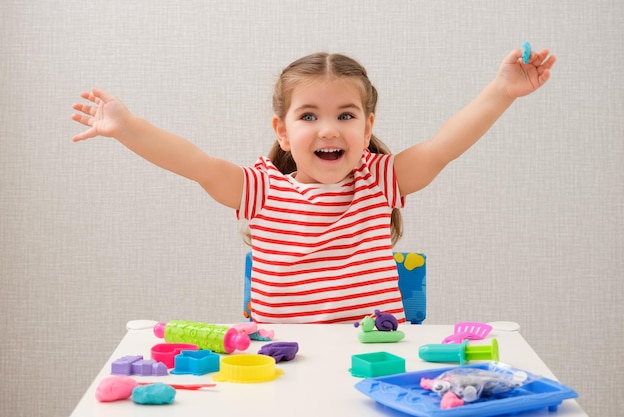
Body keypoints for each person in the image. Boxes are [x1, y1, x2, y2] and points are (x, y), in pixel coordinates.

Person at [72, 47, 556, 324]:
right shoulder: (260, 190)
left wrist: (501, 91)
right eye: (309, 116)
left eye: (345, 116)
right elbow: (194, 163)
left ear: (366, 129)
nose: (328, 129)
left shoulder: (379, 180)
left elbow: (443, 146)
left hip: (372, 366)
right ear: (282, 131)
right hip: (284, 366)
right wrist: (127, 126)